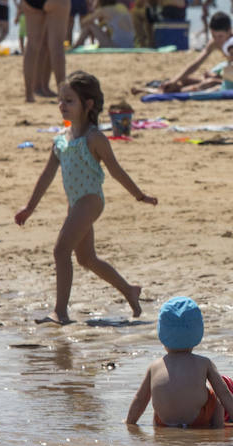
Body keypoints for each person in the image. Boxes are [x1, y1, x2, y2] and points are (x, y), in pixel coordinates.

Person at [13, 71, 157, 324]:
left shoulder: (94, 138)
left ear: (88, 104)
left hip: (90, 201)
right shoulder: (60, 140)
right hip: (75, 204)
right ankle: (129, 290)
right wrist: (29, 207)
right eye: (60, 100)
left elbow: (116, 170)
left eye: (69, 100)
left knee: (60, 251)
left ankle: (60, 312)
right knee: (86, 258)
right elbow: (46, 176)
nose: (62, 105)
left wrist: (140, 195)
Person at [125, 297, 233, 430]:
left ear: (162, 333)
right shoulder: (204, 363)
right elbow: (224, 393)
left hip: (164, 422)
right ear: (197, 332)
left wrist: (130, 422)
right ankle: (217, 430)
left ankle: (159, 433)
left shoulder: (154, 367)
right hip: (198, 420)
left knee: (158, 405)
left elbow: (140, 399)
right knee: (216, 398)